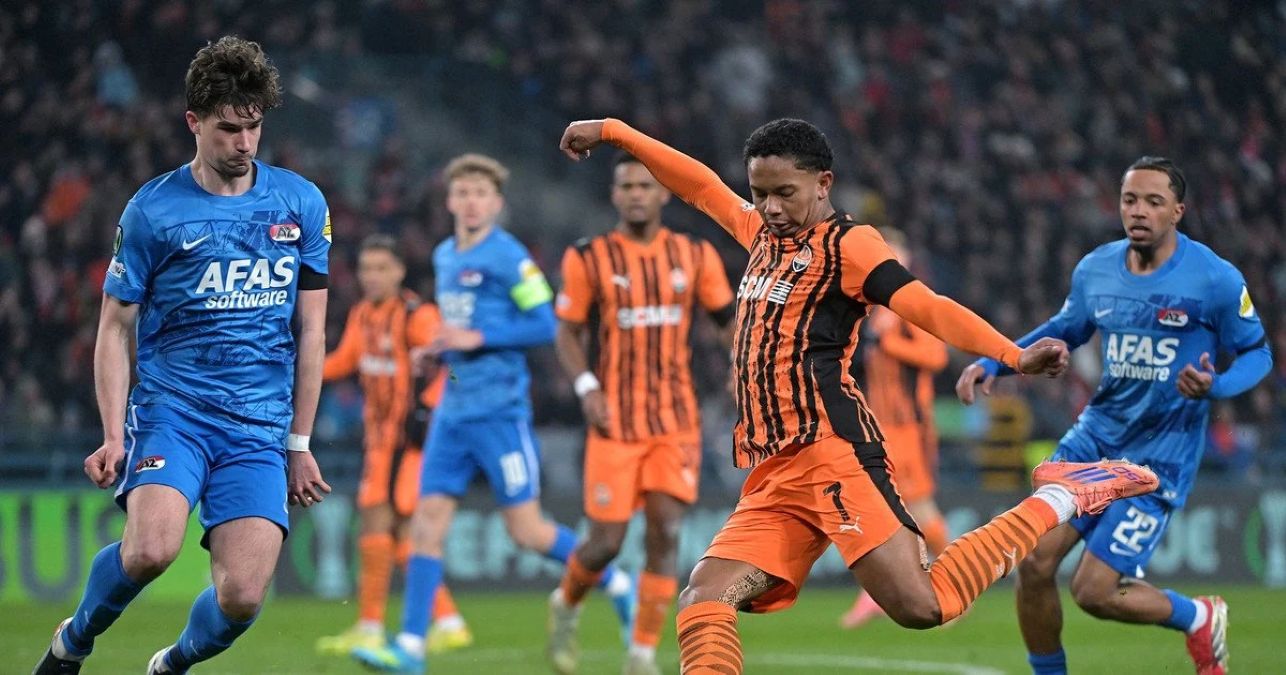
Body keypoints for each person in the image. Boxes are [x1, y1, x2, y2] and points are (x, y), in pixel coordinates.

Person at [558, 117, 1161, 675]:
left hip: (833, 453)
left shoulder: (851, 246)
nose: (770, 207)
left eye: (784, 193)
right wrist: (615, 131)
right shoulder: (761, 234)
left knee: (923, 605)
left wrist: (1012, 355)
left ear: (823, 184)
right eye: (760, 193)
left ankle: (1063, 494)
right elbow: (699, 185)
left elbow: (926, 305)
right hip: (776, 471)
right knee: (704, 598)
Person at [33, 37, 333, 675]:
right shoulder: (153, 211)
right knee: (150, 551)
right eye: (229, 129)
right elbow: (114, 328)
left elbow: (313, 331)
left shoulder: (301, 203)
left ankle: (171, 664)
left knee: (242, 597)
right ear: (194, 122)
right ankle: (74, 640)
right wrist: (113, 434)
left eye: (254, 127)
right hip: (176, 411)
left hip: (259, 426)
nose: (245, 143)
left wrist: (300, 441)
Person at [956, 157, 1273, 675]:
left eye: (1153, 201)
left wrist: (1216, 386)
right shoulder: (1096, 270)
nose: (1139, 211)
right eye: (1130, 200)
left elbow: (1258, 353)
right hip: (1093, 442)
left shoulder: (1215, 279)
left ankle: (1196, 616)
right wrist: (998, 360)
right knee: (1032, 562)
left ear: (1177, 211)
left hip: (1157, 460)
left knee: (1094, 592)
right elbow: (1066, 327)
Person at [352, 154, 633, 673]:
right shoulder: (444, 256)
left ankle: (614, 579)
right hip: (451, 413)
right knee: (425, 526)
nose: (471, 202)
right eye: (462, 193)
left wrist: (478, 337)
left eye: (480, 193)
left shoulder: (509, 257)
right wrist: (439, 350)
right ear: (449, 200)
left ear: (496, 203)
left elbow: (546, 323)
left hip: (500, 413)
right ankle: (411, 647)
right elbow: (459, 327)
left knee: (527, 532)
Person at [548, 153, 735, 675]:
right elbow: (567, 331)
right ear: (614, 194)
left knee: (666, 531)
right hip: (614, 423)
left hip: (675, 422)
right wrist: (586, 386)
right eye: (626, 186)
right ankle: (566, 602)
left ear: (662, 195)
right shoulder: (589, 257)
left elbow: (728, 320)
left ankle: (642, 653)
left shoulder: (694, 255)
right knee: (605, 544)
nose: (635, 194)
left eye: (644, 186)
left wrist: (742, 365)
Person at [314, 235, 472, 658]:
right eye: (366, 268)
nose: (372, 276)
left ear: (400, 271)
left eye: (382, 268)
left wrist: (430, 408)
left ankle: (370, 627)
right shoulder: (364, 313)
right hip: (380, 442)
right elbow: (344, 361)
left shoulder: (418, 316)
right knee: (402, 534)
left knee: (377, 524)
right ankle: (449, 622)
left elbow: (454, 367)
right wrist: (299, 369)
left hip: (409, 446)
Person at [839, 227, 950, 629]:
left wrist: (889, 344)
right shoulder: (871, 308)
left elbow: (936, 355)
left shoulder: (911, 302)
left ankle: (958, 581)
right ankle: (878, 592)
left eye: (893, 251)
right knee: (881, 509)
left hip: (910, 427)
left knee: (919, 506)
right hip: (878, 424)